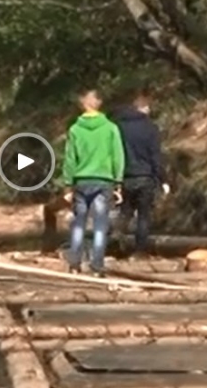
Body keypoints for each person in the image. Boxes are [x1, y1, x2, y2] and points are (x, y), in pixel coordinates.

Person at [61, 89, 126, 277]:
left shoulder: (75, 129)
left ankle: (74, 264)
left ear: (83, 104)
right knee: (100, 225)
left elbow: (70, 159)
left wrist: (67, 184)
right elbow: (118, 157)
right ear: (99, 104)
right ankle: (97, 267)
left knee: (79, 223)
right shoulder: (111, 128)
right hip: (104, 180)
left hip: (81, 180)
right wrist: (118, 182)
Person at [113, 89, 167, 257]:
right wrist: (162, 178)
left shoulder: (118, 127)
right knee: (144, 215)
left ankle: (116, 236)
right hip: (145, 176)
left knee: (126, 211)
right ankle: (139, 251)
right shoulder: (150, 128)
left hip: (125, 175)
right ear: (144, 108)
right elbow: (155, 155)